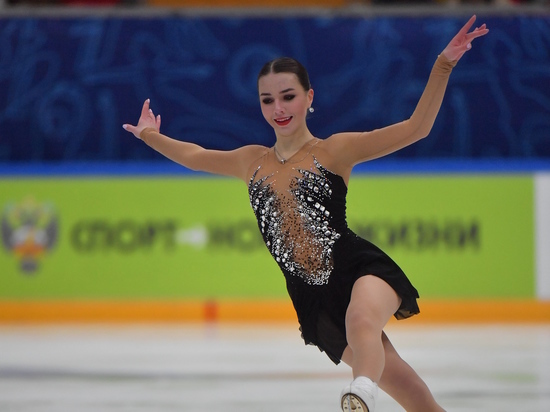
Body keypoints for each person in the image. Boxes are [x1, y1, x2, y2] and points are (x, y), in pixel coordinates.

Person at [123, 15, 488, 412]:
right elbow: (195, 156)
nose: (278, 108)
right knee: (417, 399)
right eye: (268, 100)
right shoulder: (251, 161)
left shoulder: (334, 151)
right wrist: (149, 135)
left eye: (288, 96)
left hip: (359, 269)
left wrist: (444, 64)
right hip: (313, 301)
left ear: (309, 97)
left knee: (361, 321)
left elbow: (416, 128)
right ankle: (369, 389)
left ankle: (361, 394)